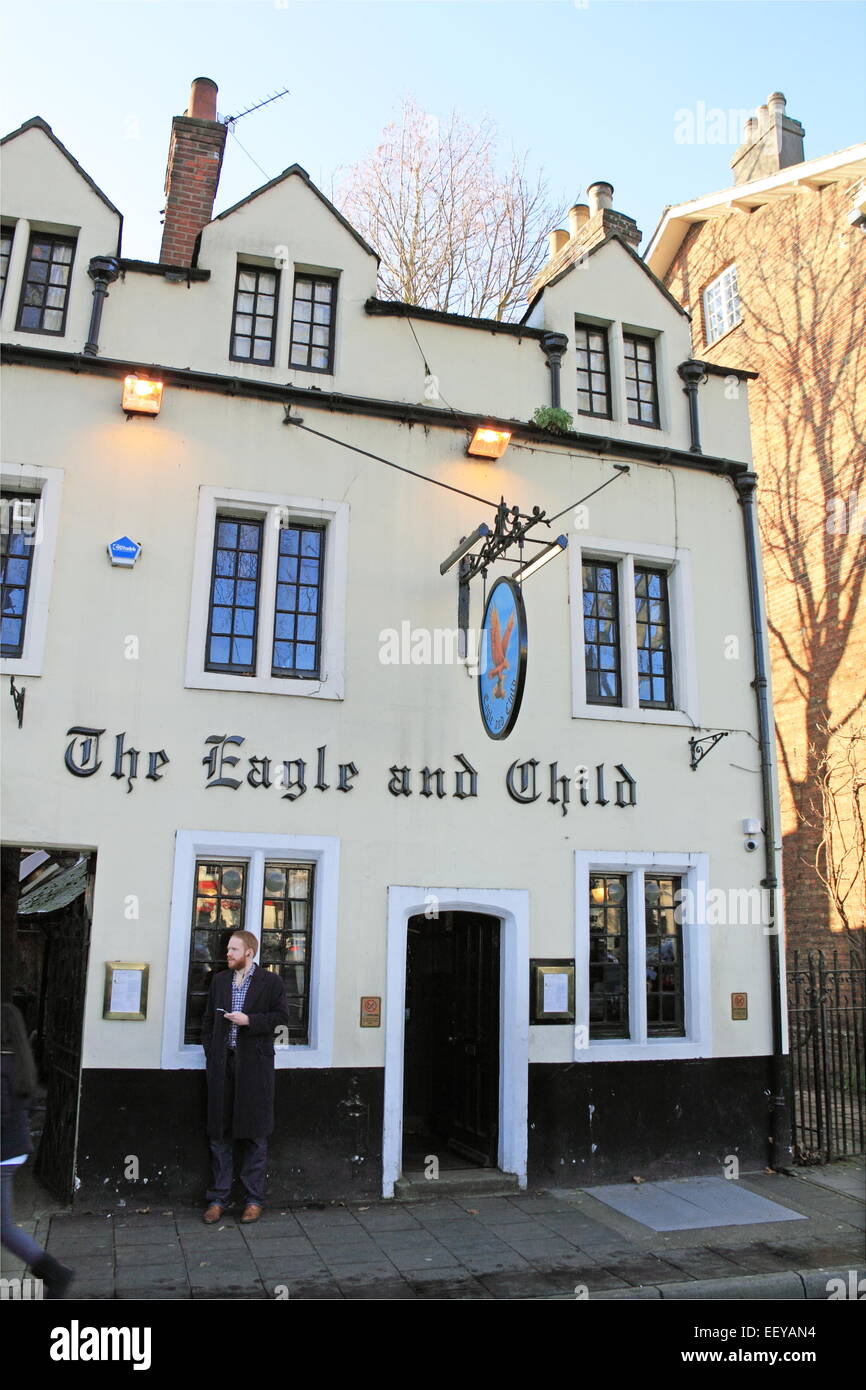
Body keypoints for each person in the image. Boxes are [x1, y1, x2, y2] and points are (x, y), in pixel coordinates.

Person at [201, 931, 288, 1225]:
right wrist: (211, 1050)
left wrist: (250, 1021)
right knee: (219, 1133)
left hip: (254, 1067)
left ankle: (253, 1199)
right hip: (222, 1064)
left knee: (254, 1134)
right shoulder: (220, 981)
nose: (228, 953)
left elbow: (281, 1017)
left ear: (249, 952)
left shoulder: (271, 982)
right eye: (228, 948)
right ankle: (218, 1198)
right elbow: (208, 1020)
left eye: (234, 949)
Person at [1, 1002, 74, 1298]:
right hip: (14, 1151)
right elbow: (28, 1107)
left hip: (3, 1153)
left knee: (4, 1228)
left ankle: (55, 1274)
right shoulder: (21, 1062)